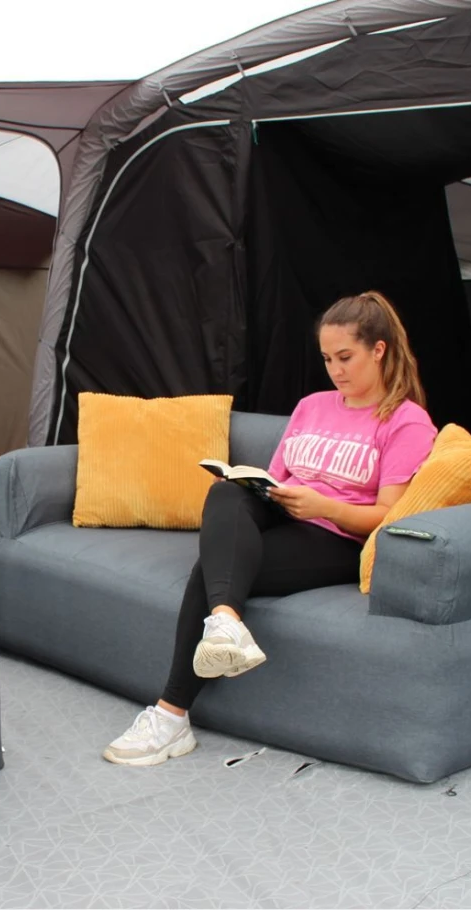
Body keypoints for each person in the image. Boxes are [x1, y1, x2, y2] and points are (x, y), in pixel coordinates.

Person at [102, 291, 439, 766]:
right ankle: (225, 622)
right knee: (227, 493)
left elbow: (389, 516)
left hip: (339, 538)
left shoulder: (405, 421)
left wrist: (324, 506)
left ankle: (171, 716)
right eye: (327, 359)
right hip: (288, 514)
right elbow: (277, 477)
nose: (335, 370)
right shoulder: (312, 406)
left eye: (345, 357)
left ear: (378, 350)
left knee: (209, 571)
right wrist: (257, 488)